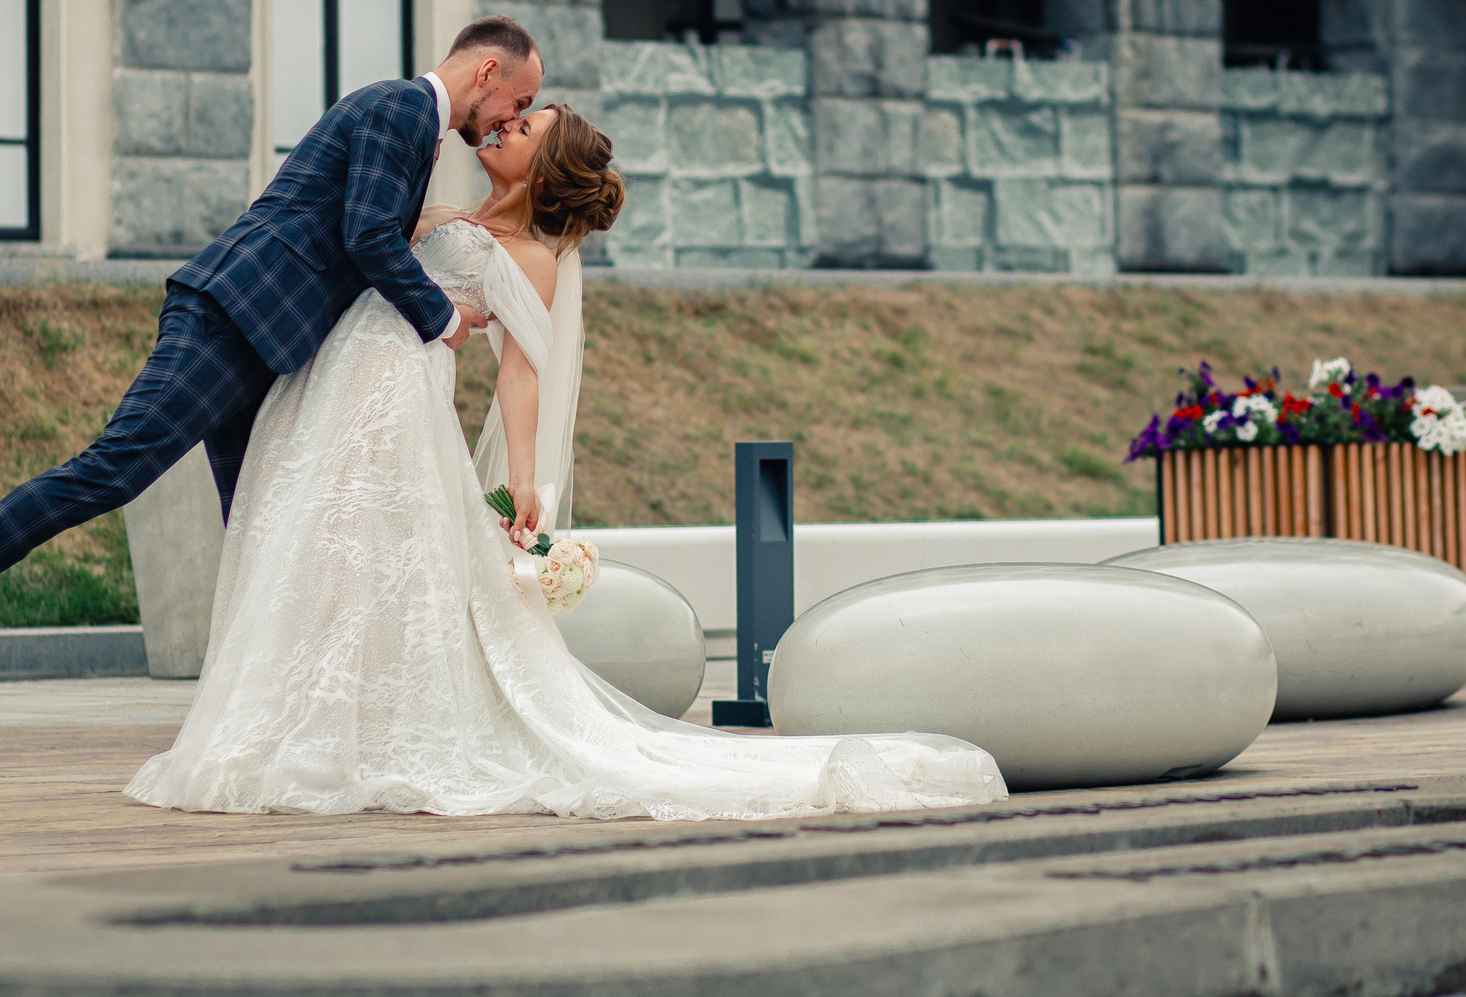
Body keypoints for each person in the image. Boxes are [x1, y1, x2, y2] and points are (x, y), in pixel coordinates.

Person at [123, 102, 1005, 819]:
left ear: (543, 170)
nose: (503, 129)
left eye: (525, 130)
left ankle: (345, 740)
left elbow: (519, 371)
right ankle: (308, 728)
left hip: (397, 403)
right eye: (510, 119)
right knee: (326, 557)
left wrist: (529, 483)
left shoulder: (533, 254)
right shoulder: (444, 213)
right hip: (338, 384)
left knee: (365, 562)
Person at [0, 17, 547, 707]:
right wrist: (445, 317)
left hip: (263, 340)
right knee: (109, 472)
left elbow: (354, 231)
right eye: (517, 102)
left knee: (267, 524)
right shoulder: (400, 107)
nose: (509, 119)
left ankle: (273, 711)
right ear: (487, 72)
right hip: (229, 319)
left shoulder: (409, 128)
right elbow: (366, 235)